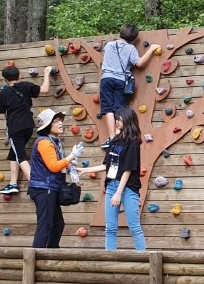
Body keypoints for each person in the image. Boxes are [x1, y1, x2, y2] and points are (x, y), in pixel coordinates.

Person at [79, 106, 145, 251]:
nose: (116, 122)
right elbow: (107, 165)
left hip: (127, 187)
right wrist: (86, 170)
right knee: (110, 227)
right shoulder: (114, 141)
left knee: (134, 227)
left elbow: (128, 169)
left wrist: (119, 193)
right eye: (116, 120)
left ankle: (145, 259)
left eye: (119, 120)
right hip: (112, 186)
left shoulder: (133, 142)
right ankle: (111, 259)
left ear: (127, 120)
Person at [28, 109, 84, 249]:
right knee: (46, 224)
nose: (60, 123)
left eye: (60, 120)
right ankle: (37, 259)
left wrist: (69, 163)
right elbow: (53, 166)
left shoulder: (53, 141)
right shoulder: (45, 142)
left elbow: (56, 165)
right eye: (56, 121)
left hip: (49, 188)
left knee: (58, 224)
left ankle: (50, 256)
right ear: (48, 125)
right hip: (43, 188)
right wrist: (71, 156)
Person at [0, 64, 52, 195]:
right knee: (14, 153)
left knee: (20, 155)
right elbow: (44, 89)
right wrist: (46, 73)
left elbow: (1, 110)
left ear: (5, 79)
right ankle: (13, 184)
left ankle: (35, 183)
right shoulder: (26, 86)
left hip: (15, 127)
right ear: (19, 76)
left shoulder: (4, 92)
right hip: (28, 125)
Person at [99, 24, 158, 145]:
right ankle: (118, 136)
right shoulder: (131, 49)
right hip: (121, 80)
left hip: (107, 79)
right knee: (119, 109)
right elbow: (140, 63)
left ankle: (111, 137)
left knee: (108, 109)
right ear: (134, 38)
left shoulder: (109, 45)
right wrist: (151, 49)